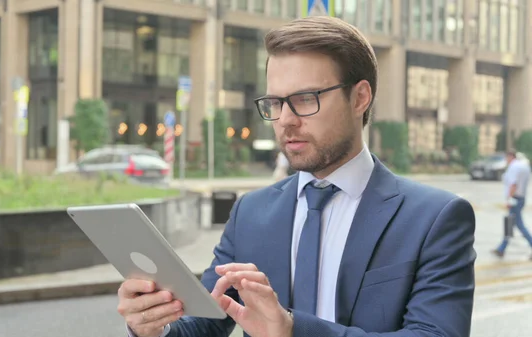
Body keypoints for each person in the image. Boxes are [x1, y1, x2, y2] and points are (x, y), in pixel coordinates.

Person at [118, 16, 476, 337]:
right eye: (275, 103)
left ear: (360, 97)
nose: (286, 120)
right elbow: (206, 322)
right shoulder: (251, 213)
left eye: (305, 98)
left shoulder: (435, 219)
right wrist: (154, 327)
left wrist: (292, 330)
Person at [492, 150, 532, 260]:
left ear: (510, 157)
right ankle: (501, 248)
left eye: (506, 158)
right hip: (521, 198)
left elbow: (513, 184)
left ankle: (502, 249)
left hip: (514, 199)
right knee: (511, 224)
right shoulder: (524, 166)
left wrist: (509, 200)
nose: (506, 160)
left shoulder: (514, 167)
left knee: (517, 225)